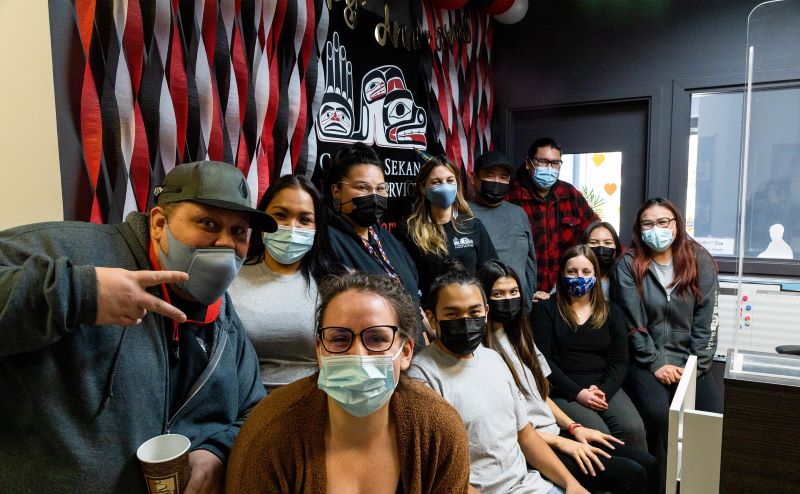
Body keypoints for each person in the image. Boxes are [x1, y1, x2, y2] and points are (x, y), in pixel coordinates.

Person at [0, 161, 271, 493]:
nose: (225, 244)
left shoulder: (224, 318)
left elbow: (253, 409)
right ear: (159, 224)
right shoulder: (70, 250)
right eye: (208, 223)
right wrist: (79, 293)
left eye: (239, 231)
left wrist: (218, 450)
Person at [226, 272, 471, 493]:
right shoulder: (269, 435)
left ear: (406, 352)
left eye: (376, 339)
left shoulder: (439, 430)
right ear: (320, 350)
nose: (358, 354)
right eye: (340, 339)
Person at [409, 262, 589, 494]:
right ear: (433, 319)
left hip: (529, 485)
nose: (465, 320)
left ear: (485, 312)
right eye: (452, 313)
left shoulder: (494, 359)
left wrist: (571, 484)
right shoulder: (421, 378)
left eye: (474, 312)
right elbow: (438, 475)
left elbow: (525, 436)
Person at [479, 259, 657, 494]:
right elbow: (510, 429)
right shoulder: (484, 352)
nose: (508, 299)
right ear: (484, 301)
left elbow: (540, 395)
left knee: (649, 463)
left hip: (556, 431)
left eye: (513, 292)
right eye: (498, 294)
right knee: (630, 475)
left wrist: (573, 428)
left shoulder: (519, 336)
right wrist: (564, 441)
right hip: (536, 445)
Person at [612, 197, 721, 492]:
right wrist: (656, 362)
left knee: (709, 417)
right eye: (648, 223)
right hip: (646, 360)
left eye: (663, 222)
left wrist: (694, 367)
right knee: (659, 416)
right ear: (639, 228)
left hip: (692, 361)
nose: (655, 229)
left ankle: (699, 485)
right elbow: (631, 321)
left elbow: (707, 320)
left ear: (676, 224)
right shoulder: (627, 264)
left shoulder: (699, 259)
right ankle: (660, 485)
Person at [229, 175, 341, 392]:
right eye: (280, 215)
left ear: (317, 228)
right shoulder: (230, 277)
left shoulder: (338, 283)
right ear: (262, 223)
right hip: (244, 408)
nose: (292, 227)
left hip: (318, 403)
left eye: (305, 220)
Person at [530, 247, 647, 450]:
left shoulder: (613, 312)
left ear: (596, 275)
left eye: (586, 272)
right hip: (563, 390)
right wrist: (578, 393)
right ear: (562, 274)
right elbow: (542, 361)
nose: (579, 277)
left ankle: (639, 479)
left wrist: (603, 390)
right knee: (599, 434)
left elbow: (619, 361)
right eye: (572, 271)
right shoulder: (545, 309)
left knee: (633, 428)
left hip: (602, 387)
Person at [396, 152, 497, 307]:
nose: (444, 186)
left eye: (450, 180)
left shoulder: (473, 226)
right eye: (436, 182)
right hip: (431, 318)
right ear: (423, 188)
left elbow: (491, 275)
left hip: (471, 313)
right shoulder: (409, 231)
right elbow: (404, 283)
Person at [506, 137, 599, 300]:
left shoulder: (570, 194)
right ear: (529, 163)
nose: (549, 168)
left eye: (555, 163)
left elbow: (596, 232)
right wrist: (525, 293)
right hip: (523, 294)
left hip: (565, 292)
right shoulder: (510, 196)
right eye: (543, 162)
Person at [468, 150, 537, 308]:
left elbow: (530, 262)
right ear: (473, 178)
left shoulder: (518, 214)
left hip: (518, 311)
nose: (497, 181)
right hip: (480, 311)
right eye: (490, 175)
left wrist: (528, 304)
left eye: (503, 177)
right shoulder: (463, 214)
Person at [581, 221, 623, 299]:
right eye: (593, 242)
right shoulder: (573, 278)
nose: (601, 248)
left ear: (616, 249)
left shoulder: (624, 280)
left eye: (607, 243)